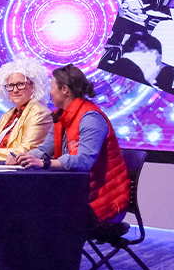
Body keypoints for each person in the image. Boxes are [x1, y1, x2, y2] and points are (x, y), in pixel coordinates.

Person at [12, 65, 130, 225]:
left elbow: (83, 161)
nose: (50, 92)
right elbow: (44, 150)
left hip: (101, 203)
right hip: (77, 194)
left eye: (52, 87)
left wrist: (44, 163)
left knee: (33, 217)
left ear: (65, 90)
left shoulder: (91, 118)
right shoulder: (62, 116)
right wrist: (24, 158)